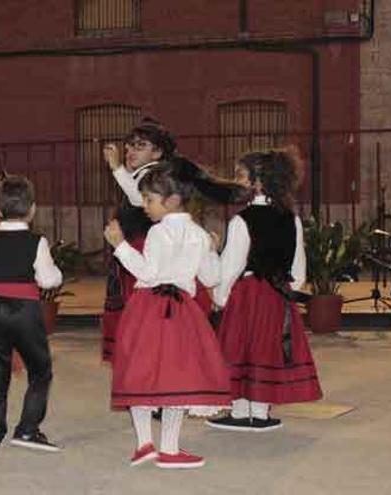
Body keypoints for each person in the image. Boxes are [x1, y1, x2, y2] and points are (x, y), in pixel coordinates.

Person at [104, 161, 232, 469]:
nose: (144, 206)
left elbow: (149, 271)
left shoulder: (159, 233)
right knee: (178, 377)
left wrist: (120, 246)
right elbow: (212, 277)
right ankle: (170, 449)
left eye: (149, 199)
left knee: (140, 372)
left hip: (148, 308)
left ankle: (144, 443)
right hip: (183, 313)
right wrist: (213, 249)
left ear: (171, 200)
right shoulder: (200, 234)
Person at [206, 148, 322, 432]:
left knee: (241, 347)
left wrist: (220, 297)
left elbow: (231, 265)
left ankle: (239, 410)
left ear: (259, 181)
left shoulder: (241, 220)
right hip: (277, 294)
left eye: (241, 176)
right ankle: (260, 413)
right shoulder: (291, 218)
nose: (238, 182)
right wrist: (288, 288)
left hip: (248, 294)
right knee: (266, 349)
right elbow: (298, 267)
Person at [101, 118, 217, 364]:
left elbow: (135, 196)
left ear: (158, 152)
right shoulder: (146, 175)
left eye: (140, 146)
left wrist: (116, 168)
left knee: (146, 315)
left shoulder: (154, 176)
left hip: (144, 251)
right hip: (138, 248)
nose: (130, 151)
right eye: (129, 146)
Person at [0, 175, 64, 453]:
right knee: (40, 370)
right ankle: (28, 430)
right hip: (25, 313)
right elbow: (47, 280)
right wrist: (57, 274)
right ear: (32, 209)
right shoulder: (36, 241)